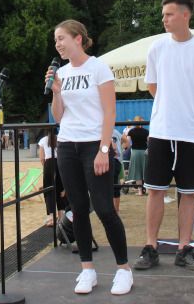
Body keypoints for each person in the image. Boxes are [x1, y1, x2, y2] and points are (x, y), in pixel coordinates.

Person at [134, 0, 194, 273]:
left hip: (191, 134)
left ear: (186, 15)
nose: (164, 19)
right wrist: (170, 107)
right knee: (154, 190)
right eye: (163, 15)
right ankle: (150, 247)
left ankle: (185, 248)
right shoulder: (157, 47)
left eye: (169, 14)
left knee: (189, 193)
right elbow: (152, 85)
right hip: (161, 131)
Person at [46, 19, 132, 295]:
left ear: (78, 39)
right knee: (78, 209)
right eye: (55, 40)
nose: (57, 44)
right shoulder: (62, 73)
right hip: (67, 146)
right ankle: (87, 270)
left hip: (94, 144)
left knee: (105, 209)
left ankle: (123, 270)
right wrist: (56, 93)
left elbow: (110, 112)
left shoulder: (98, 68)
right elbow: (58, 116)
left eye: (61, 38)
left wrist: (104, 150)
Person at [38, 130, 67, 227]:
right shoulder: (60, 138)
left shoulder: (43, 140)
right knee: (60, 189)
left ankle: (51, 217)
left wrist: (46, 167)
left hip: (49, 164)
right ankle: (61, 216)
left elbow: (42, 158)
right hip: (60, 162)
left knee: (49, 190)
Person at [127, 116, 149, 195]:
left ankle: (140, 191)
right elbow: (149, 142)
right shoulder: (146, 131)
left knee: (137, 172)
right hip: (145, 152)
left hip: (135, 153)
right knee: (146, 171)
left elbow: (128, 144)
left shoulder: (131, 131)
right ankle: (147, 190)